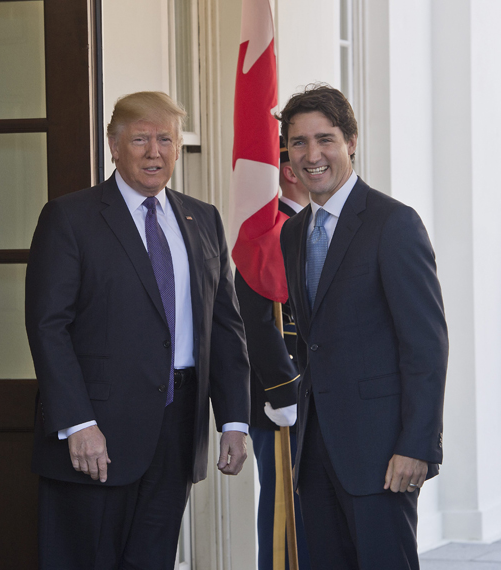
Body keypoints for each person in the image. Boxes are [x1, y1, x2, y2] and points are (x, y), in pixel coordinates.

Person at [25, 91, 251, 569]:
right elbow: (49, 327)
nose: (155, 151)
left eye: (165, 139)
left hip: (177, 429)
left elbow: (224, 327)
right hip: (95, 437)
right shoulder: (70, 218)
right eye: (141, 139)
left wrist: (233, 420)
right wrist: (78, 423)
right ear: (113, 144)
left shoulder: (203, 219)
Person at [276, 84, 448, 569]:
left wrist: (416, 446)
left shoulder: (393, 224)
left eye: (325, 139)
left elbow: (426, 346)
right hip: (315, 454)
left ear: (351, 140)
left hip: (382, 457)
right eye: (299, 142)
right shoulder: (293, 232)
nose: (312, 155)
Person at [234, 137, 311, 570]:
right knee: (287, 520)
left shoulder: (310, 223)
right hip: (283, 398)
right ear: (283, 169)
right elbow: (257, 319)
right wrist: (286, 391)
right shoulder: (270, 229)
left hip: (321, 395)